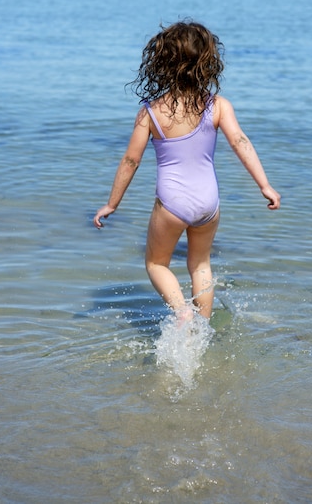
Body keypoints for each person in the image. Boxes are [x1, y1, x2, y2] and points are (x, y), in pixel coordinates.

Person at [94, 21, 280, 322]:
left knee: (156, 263)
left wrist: (112, 204)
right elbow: (240, 142)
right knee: (201, 264)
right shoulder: (218, 105)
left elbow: (131, 160)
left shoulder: (151, 111)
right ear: (207, 63)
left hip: (172, 203)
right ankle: (202, 330)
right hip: (209, 201)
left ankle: (182, 313)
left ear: (163, 63)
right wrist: (265, 185)